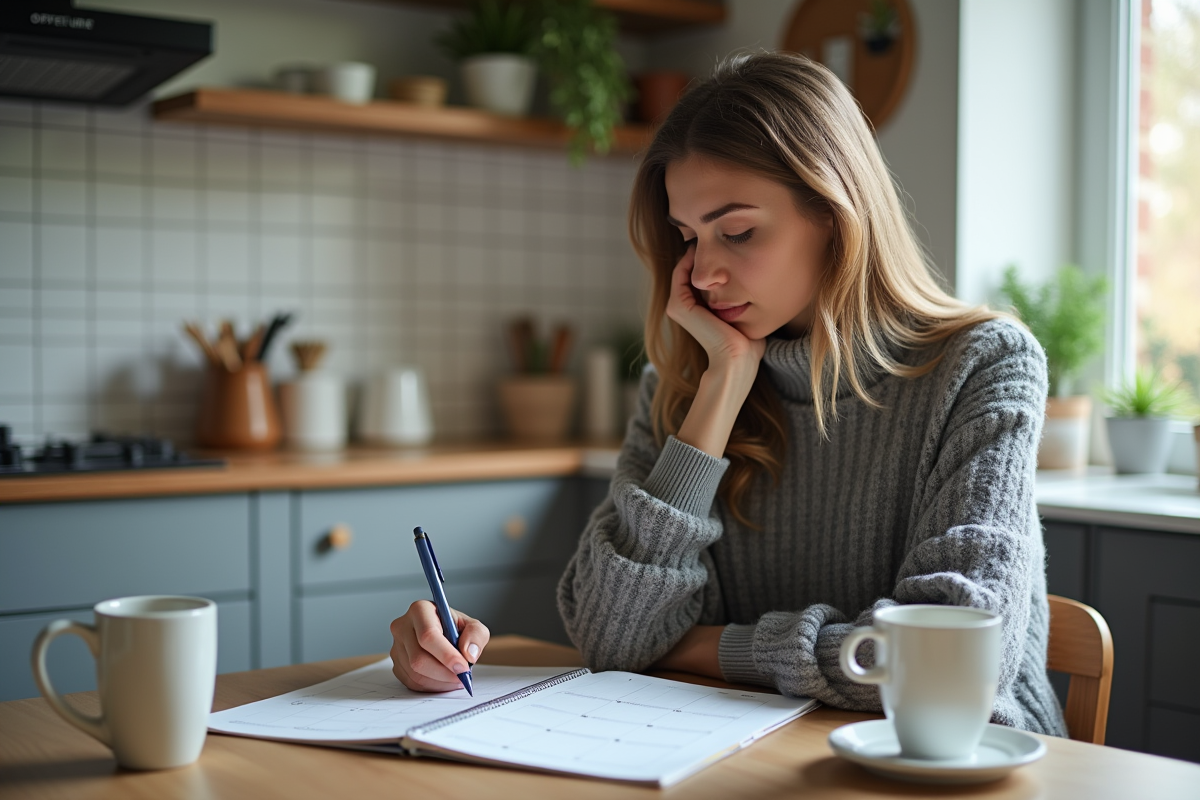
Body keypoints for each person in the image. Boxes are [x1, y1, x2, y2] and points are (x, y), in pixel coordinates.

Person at [389, 51, 1067, 737]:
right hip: (748, 756)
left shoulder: (984, 367)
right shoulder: (689, 383)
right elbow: (612, 638)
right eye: (687, 237)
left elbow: (950, 665)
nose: (704, 273)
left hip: (958, 769)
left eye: (737, 232)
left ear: (834, 212)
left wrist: (707, 646)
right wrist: (721, 390)